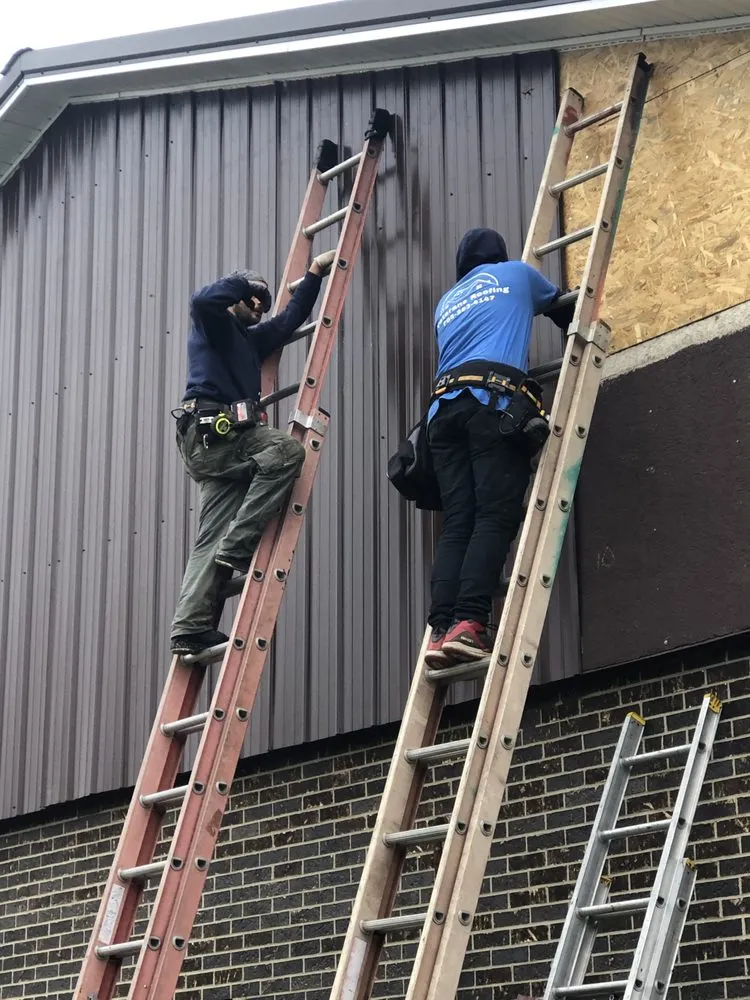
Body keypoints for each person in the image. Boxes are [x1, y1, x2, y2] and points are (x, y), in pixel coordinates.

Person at [170, 250, 335, 656]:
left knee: (210, 538)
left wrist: (314, 272)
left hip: (217, 446)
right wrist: (245, 286)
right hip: (213, 433)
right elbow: (202, 301)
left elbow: (288, 321)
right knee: (284, 453)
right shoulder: (214, 325)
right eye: (252, 301)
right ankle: (239, 547)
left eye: (262, 302)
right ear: (235, 299)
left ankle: (189, 627)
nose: (259, 308)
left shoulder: (250, 339)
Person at [424, 228, 574, 668]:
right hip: (491, 403)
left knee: (459, 522)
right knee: (494, 514)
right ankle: (470, 621)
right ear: (500, 256)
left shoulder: (446, 303)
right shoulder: (518, 275)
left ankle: (440, 629)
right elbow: (563, 308)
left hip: (442, 414)